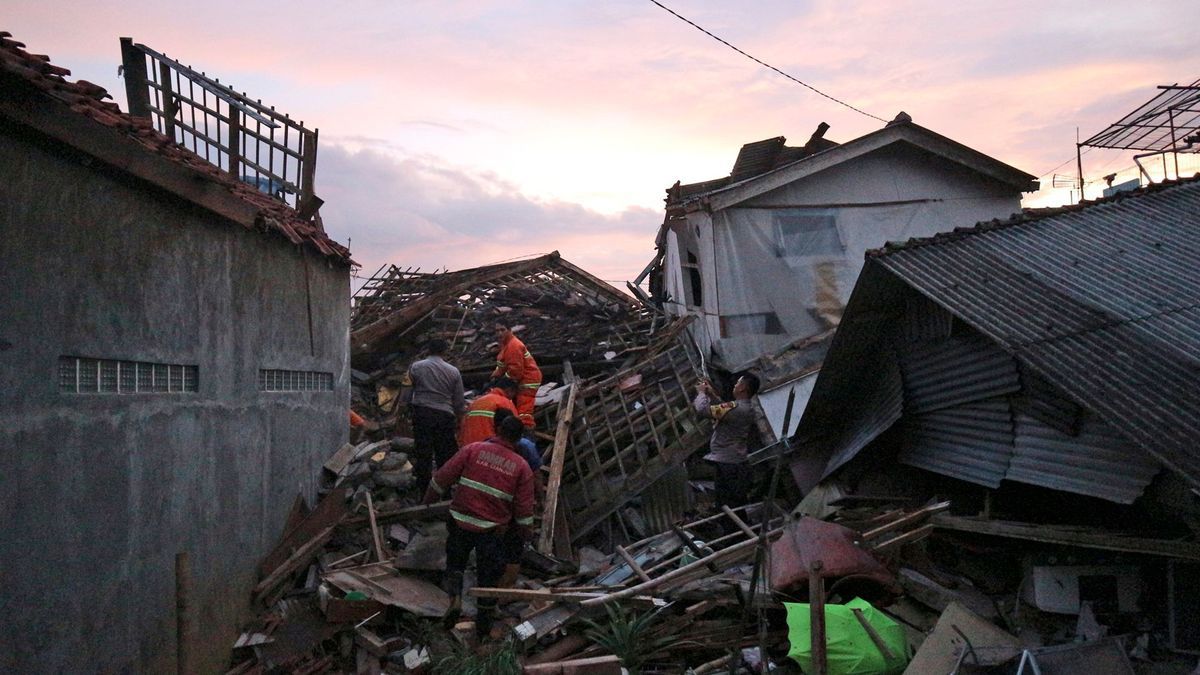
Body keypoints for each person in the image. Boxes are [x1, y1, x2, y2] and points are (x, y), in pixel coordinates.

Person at [424, 415, 535, 640]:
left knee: (456, 564)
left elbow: (443, 476)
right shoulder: (521, 467)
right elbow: (524, 510)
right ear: (519, 439)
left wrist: (429, 498)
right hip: (491, 530)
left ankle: (454, 598)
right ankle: (482, 630)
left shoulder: (473, 449)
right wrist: (524, 535)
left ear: (497, 429)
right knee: (488, 579)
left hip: (460, 521)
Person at [403, 338, 466, 491]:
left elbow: (406, 393)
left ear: (428, 350)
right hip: (444, 416)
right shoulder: (453, 371)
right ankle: (443, 489)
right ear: (444, 351)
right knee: (444, 454)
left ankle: (423, 489)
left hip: (422, 413)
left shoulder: (415, 367)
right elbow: (458, 401)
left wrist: (405, 411)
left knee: (423, 452)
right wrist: (460, 419)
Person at [694, 373, 760, 508]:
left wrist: (701, 393)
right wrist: (712, 395)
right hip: (735, 461)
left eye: (737, 383)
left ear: (742, 388)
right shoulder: (746, 408)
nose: (735, 385)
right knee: (735, 502)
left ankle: (733, 526)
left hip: (728, 464)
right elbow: (724, 410)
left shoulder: (736, 408)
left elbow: (702, 410)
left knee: (727, 503)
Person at [490, 322, 542, 429]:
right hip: (523, 379)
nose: (499, 333)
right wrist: (495, 375)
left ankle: (527, 432)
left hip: (528, 381)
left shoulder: (513, 346)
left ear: (510, 330)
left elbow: (516, 372)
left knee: (524, 410)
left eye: (502, 330)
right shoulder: (506, 345)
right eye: (497, 331)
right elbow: (502, 365)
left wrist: (501, 382)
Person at [459, 377, 520, 446]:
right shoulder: (505, 403)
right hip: (489, 449)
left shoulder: (475, 403)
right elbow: (515, 429)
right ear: (510, 390)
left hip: (468, 448)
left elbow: (462, 425)